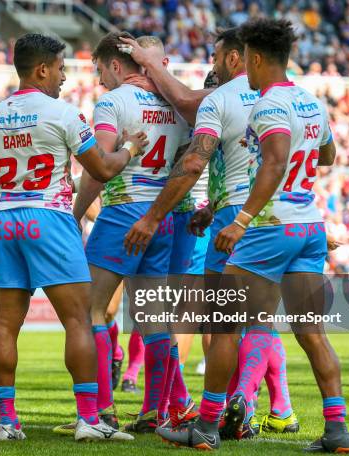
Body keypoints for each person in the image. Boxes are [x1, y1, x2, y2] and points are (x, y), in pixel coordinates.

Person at [155, 18, 349, 452]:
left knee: (223, 325)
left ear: (257, 59)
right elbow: (327, 154)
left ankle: (206, 427)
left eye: (246, 58)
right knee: (312, 333)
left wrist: (242, 218)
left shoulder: (267, 104)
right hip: (308, 224)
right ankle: (337, 429)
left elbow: (275, 161)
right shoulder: (310, 101)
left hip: (268, 228)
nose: (244, 65)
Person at [0, 33, 146, 442]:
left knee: (4, 326)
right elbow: (104, 170)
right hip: (50, 219)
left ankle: (7, 422)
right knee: (79, 319)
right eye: (59, 68)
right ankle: (89, 419)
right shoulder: (64, 114)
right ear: (41, 69)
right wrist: (129, 149)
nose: (63, 78)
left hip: (8, 222)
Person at [121, 29, 297, 438]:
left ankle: (207, 416)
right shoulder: (295, 98)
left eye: (216, 56)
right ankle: (256, 406)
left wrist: (152, 217)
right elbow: (320, 155)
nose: (212, 64)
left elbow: (193, 153)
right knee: (262, 319)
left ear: (239, 58)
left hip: (236, 215)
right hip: (282, 213)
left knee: (218, 322)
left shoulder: (220, 97)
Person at [70, 32, 191, 434]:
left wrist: (74, 212)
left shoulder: (113, 101)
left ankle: (101, 410)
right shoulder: (175, 107)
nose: (101, 78)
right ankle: (155, 411)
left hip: (123, 212)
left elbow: (100, 165)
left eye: (101, 69)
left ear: (117, 65)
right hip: (162, 214)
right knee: (154, 317)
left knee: (90, 309)